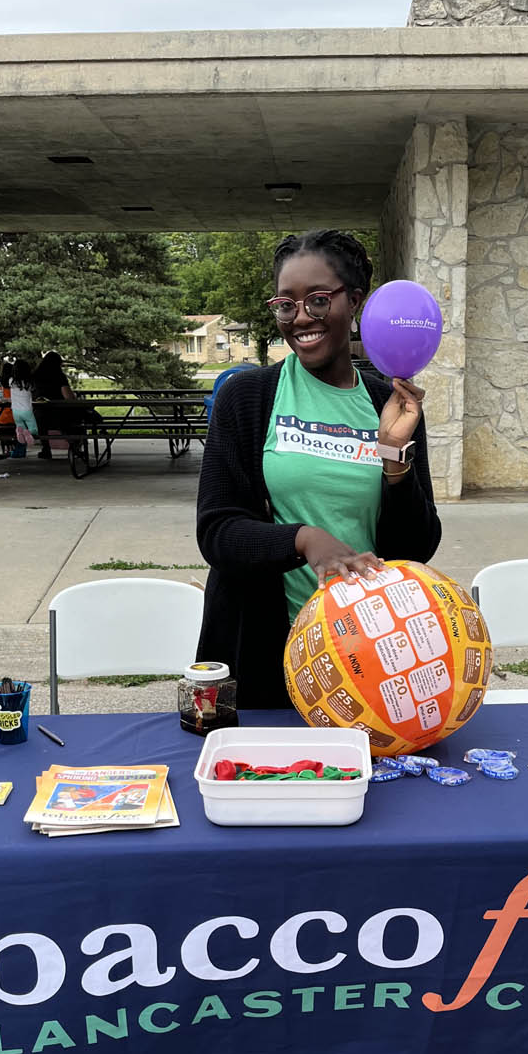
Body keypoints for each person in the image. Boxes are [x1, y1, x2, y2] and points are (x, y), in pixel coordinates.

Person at [195, 228, 440, 709]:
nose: (302, 317)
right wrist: (304, 540)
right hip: (263, 653)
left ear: (355, 302)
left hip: (367, 654)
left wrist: (394, 455)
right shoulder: (247, 398)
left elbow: (415, 550)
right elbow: (217, 532)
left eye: (319, 300)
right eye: (286, 304)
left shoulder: (389, 405)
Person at [30, 350, 76, 460]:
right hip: (59, 414)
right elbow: (68, 397)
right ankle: (74, 445)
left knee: (42, 422)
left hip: (39, 416)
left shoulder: (35, 376)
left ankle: (46, 449)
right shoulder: (59, 376)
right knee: (74, 419)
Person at [9, 358, 38, 453]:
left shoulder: (11, 381)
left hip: (15, 411)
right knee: (34, 429)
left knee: (20, 427)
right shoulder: (29, 382)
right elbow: (33, 390)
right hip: (27, 410)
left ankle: (20, 432)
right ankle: (28, 433)